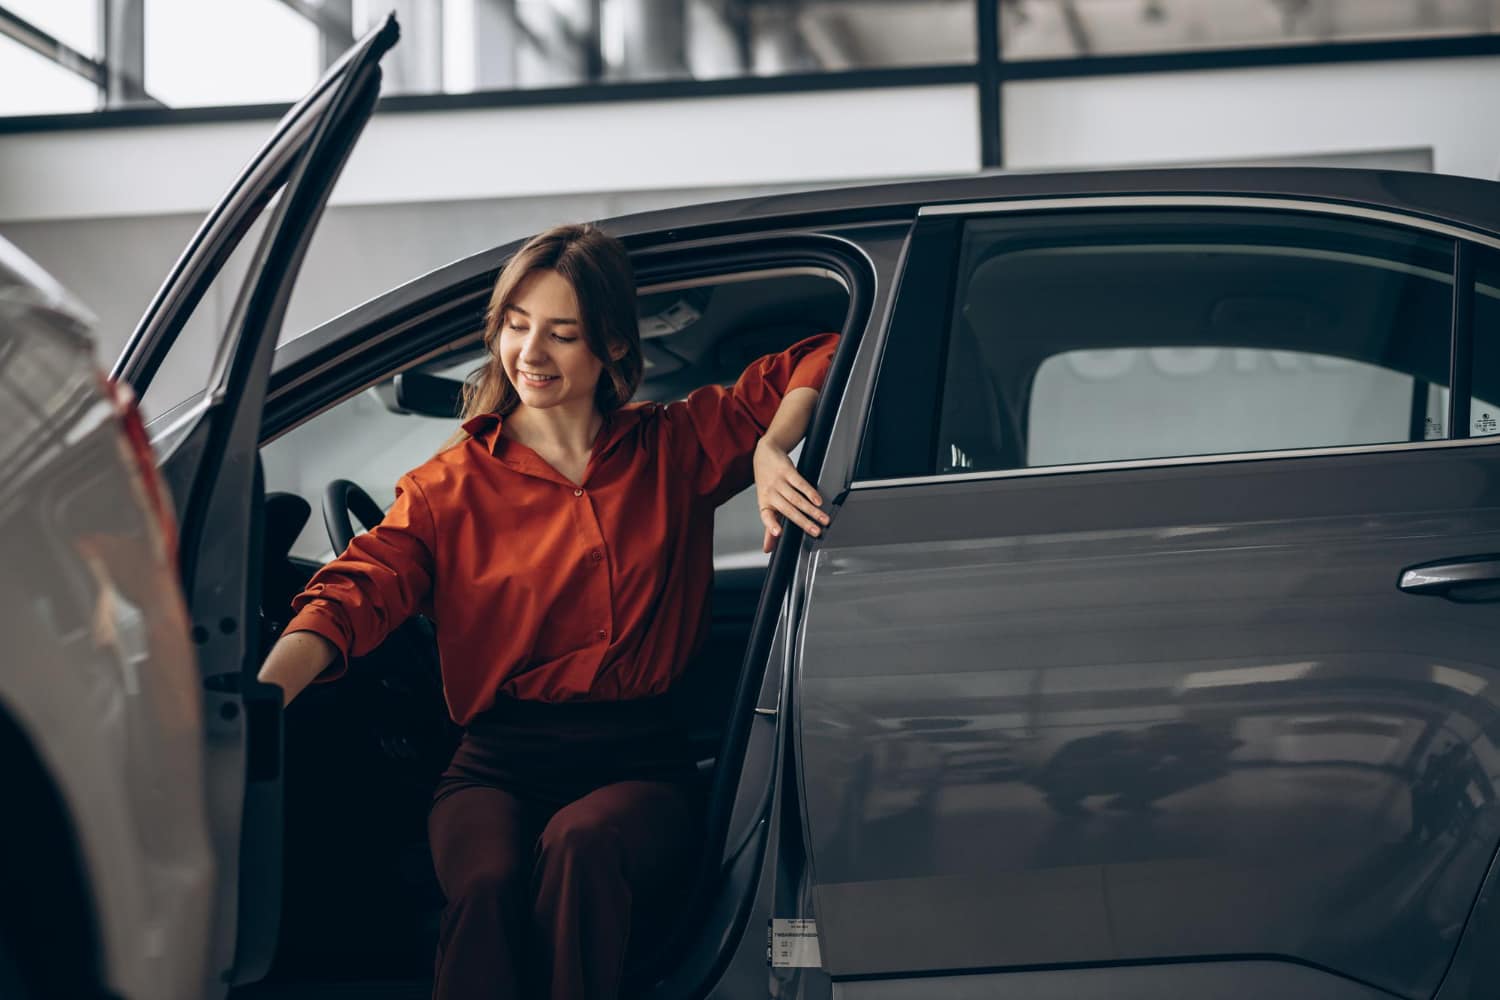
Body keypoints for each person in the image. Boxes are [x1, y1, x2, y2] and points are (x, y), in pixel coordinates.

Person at [256, 223, 838, 1000]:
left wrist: (774, 445)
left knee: (582, 845)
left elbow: (826, 350)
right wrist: (258, 702)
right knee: (487, 882)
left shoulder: (675, 446)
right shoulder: (445, 486)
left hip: (638, 765)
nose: (531, 354)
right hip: (493, 768)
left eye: (563, 335)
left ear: (611, 351)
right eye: (517, 327)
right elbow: (354, 591)